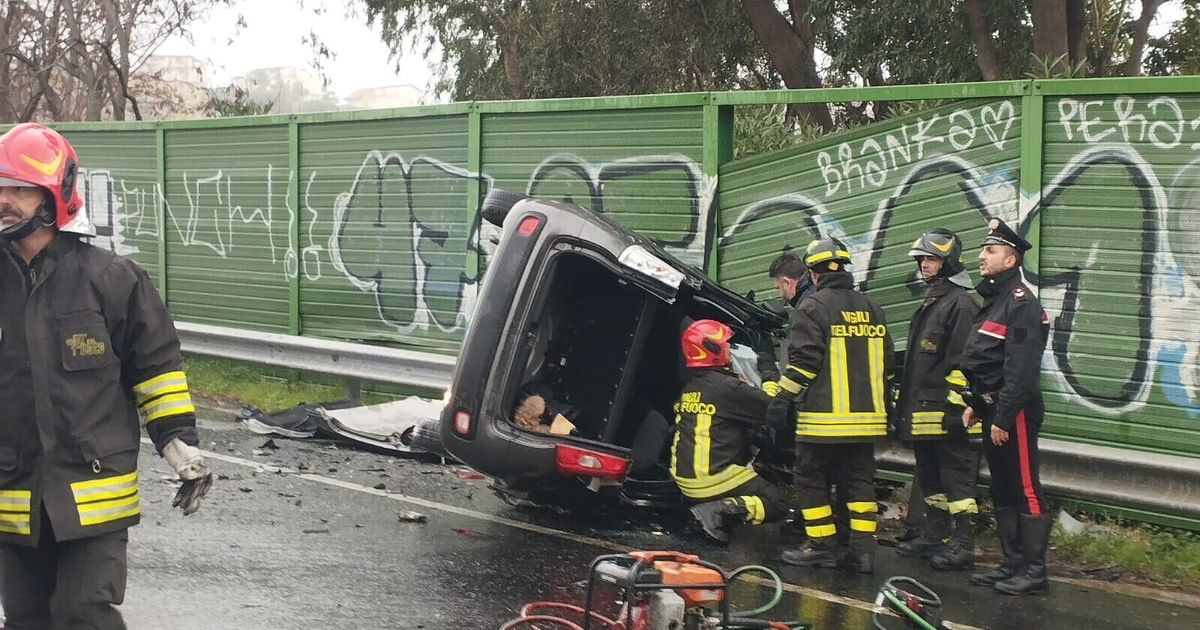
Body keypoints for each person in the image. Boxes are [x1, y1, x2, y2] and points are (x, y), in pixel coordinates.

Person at [0, 123, 213, 628]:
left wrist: (177, 441)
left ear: (55, 197)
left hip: (91, 493)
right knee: (27, 619)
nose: (5, 200)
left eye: (20, 189)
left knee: (83, 615)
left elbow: (156, 368)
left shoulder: (112, 280)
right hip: (13, 491)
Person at [772, 237, 894, 574]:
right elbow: (887, 362)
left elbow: (803, 364)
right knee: (860, 483)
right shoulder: (873, 308)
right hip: (867, 420)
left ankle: (821, 545)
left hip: (823, 421)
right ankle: (864, 552)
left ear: (813, 273)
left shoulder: (811, 309)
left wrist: (783, 397)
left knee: (810, 478)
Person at [961, 217, 1051, 596]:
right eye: (984, 249)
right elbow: (987, 359)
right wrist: (977, 405)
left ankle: (1034, 570)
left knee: (1026, 486)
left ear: (1011, 260)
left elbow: (1021, 368)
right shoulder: (994, 300)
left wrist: (1004, 415)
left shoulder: (1021, 304)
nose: (982, 256)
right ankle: (1012, 562)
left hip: (1015, 412)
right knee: (1002, 487)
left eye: (991, 250)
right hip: (992, 409)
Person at [893, 229, 982, 571]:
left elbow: (965, 362)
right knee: (929, 476)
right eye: (923, 260)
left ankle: (962, 544)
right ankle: (934, 532)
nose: (925, 266)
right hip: (924, 412)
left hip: (948, 413)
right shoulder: (935, 301)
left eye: (931, 259)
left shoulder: (960, 304)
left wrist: (957, 408)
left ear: (949, 262)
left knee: (956, 477)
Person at [670, 319, 783, 543]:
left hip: (685, 480)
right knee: (776, 502)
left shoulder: (691, 387)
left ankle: (708, 506)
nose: (729, 349)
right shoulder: (726, 387)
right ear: (711, 348)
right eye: (725, 344)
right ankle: (718, 510)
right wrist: (769, 372)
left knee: (762, 475)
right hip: (712, 479)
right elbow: (774, 407)